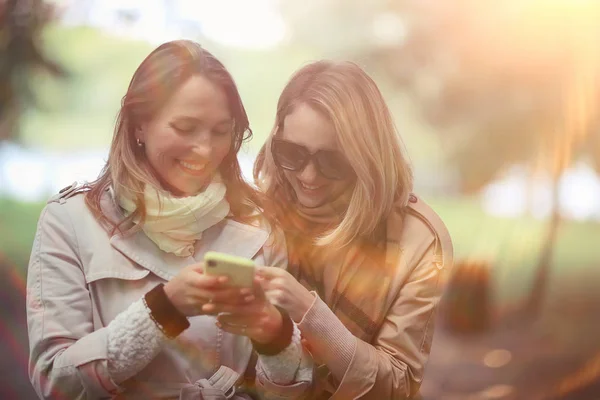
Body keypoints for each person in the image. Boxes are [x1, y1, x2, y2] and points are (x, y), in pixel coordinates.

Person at [26, 40, 312, 400]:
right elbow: (54, 383)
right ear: (139, 126)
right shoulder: (70, 222)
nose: (206, 150)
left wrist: (275, 335)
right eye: (185, 127)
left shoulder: (260, 228)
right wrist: (163, 309)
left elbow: (287, 392)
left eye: (221, 131)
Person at [251, 61, 453, 399]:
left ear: (366, 156)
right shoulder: (256, 217)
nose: (308, 177)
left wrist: (310, 315)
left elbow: (398, 385)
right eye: (293, 153)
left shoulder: (417, 240)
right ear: (276, 141)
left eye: (332, 161)